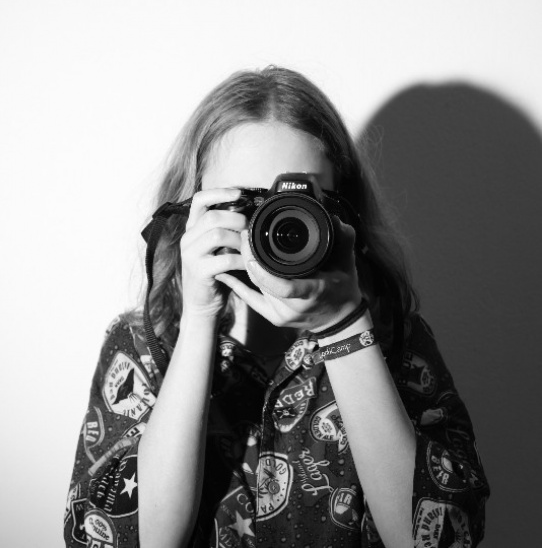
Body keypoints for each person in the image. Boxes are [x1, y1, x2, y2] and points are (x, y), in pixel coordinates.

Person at [64, 66, 489, 548]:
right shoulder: (144, 345)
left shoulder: (394, 339)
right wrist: (199, 319)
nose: (272, 224)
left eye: (301, 201)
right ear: (191, 211)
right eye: (245, 203)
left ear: (343, 214)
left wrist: (344, 329)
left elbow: (441, 539)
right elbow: (123, 539)